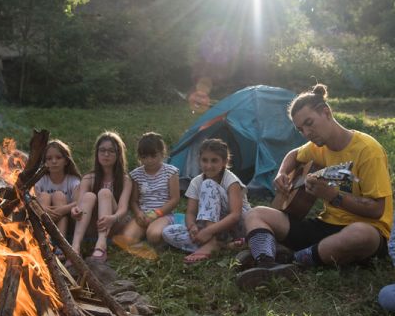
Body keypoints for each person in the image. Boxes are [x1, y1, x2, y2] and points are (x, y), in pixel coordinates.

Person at [237, 83, 393, 289]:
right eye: (301, 129)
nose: (307, 132)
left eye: (309, 123)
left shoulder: (368, 150)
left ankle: (293, 259)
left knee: (361, 235)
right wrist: (282, 173)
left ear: (326, 112)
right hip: (325, 226)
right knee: (255, 214)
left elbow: (376, 209)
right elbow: (293, 155)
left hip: (366, 232)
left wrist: (333, 196)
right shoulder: (319, 146)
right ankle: (266, 262)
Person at [162, 138, 250, 263]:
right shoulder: (196, 181)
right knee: (168, 232)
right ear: (199, 161)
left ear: (224, 162)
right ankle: (224, 245)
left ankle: (212, 243)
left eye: (214, 161)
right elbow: (191, 212)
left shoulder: (231, 180)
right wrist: (192, 226)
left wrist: (208, 231)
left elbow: (235, 215)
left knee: (208, 184)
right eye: (204, 160)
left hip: (237, 225)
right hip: (212, 226)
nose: (209, 166)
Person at [70, 131, 132, 262]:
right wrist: (76, 210)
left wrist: (112, 218)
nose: (106, 154)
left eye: (111, 151)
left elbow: (123, 208)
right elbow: (80, 204)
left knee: (105, 192)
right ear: (97, 153)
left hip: (115, 224)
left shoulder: (125, 179)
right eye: (102, 150)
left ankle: (101, 244)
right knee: (88, 196)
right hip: (91, 225)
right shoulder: (88, 178)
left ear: (118, 154)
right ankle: (75, 247)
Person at [116, 133, 179, 257]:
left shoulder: (171, 172)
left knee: (153, 235)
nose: (149, 160)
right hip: (143, 215)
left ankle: (157, 236)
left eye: (153, 156)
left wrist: (155, 214)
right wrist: (139, 214)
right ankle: (146, 235)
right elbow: (134, 201)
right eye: (144, 157)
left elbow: (175, 199)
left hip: (163, 214)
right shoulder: (136, 175)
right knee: (126, 238)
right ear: (139, 157)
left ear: (162, 154)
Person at [34, 139, 81, 241]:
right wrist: (43, 209)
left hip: (66, 222)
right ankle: (45, 242)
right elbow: (32, 201)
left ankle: (60, 245)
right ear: (45, 162)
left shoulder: (73, 180)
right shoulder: (40, 179)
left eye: (58, 157)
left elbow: (79, 202)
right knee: (44, 196)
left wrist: (61, 210)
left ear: (66, 161)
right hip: (43, 219)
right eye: (49, 158)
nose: (54, 161)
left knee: (59, 195)